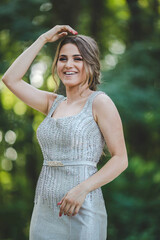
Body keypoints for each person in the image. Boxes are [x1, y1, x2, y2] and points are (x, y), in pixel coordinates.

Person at [2, 25, 128, 240]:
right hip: (44, 207)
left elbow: (120, 159)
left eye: (77, 59)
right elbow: (10, 79)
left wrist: (83, 189)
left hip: (83, 206)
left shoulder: (100, 103)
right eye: (62, 58)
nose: (69, 65)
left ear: (90, 64)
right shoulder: (52, 103)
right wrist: (43, 38)